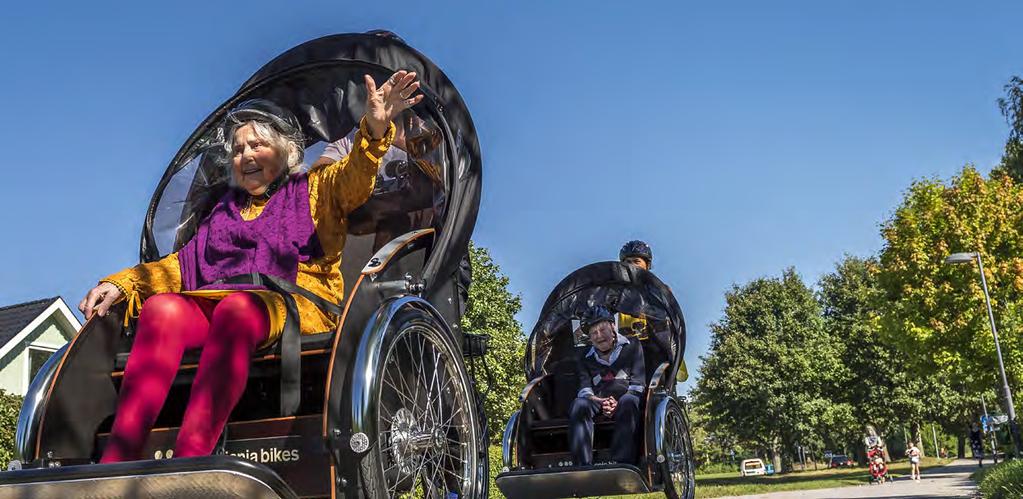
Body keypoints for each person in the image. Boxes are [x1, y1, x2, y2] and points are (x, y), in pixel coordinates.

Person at [79, 70, 424, 463]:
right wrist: (120, 285)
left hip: (294, 304)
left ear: (285, 151)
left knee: (237, 309)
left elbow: (355, 177)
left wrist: (375, 130)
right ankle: (118, 460)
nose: (246, 157)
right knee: (162, 309)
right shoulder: (222, 213)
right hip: (225, 301)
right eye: (239, 150)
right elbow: (178, 267)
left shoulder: (315, 189)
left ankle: (191, 458)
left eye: (258, 145)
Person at [569, 306, 646, 466]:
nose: (599, 336)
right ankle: (582, 467)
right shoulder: (583, 357)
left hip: (628, 396)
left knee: (628, 401)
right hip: (597, 400)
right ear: (589, 337)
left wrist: (617, 403)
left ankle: (623, 463)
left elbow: (637, 384)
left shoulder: (632, 345)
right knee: (579, 404)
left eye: (602, 330)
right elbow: (585, 389)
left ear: (613, 327)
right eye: (593, 333)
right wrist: (602, 402)